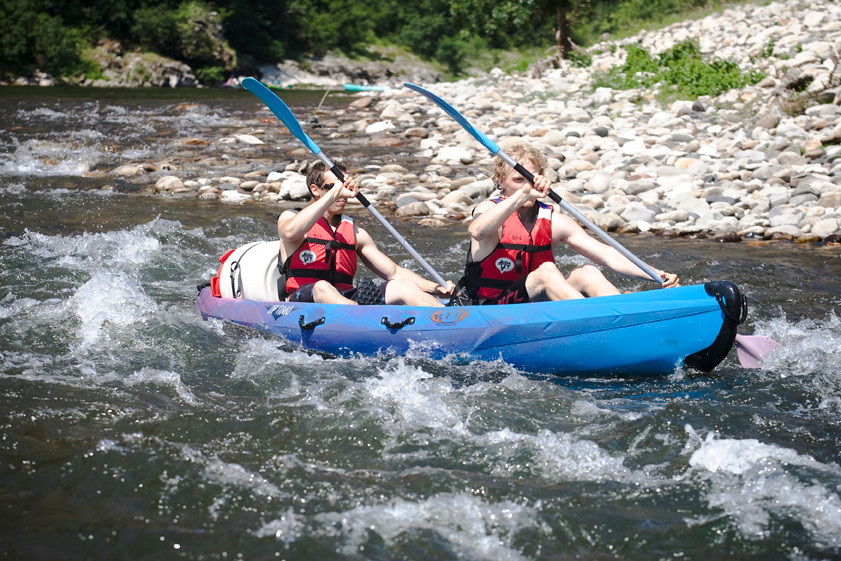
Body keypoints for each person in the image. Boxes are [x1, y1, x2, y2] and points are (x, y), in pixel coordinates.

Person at [460, 139, 679, 305]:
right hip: (491, 308)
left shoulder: (554, 221)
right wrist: (522, 195)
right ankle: (596, 324)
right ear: (501, 181)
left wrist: (655, 274)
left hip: (532, 308)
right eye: (518, 180)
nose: (525, 185)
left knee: (588, 272)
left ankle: (626, 320)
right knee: (546, 271)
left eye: (531, 179)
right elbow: (478, 231)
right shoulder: (488, 209)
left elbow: (608, 256)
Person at [277, 160, 453, 306]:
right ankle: (364, 317)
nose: (342, 194)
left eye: (344, 187)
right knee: (323, 287)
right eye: (333, 187)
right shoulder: (291, 217)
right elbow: (290, 232)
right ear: (315, 190)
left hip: (346, 298)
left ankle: (449, 320)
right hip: (304, 301)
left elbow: (394, 272)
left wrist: (436, 288)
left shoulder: (356, 233)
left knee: (403, 286)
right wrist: (335, 192)